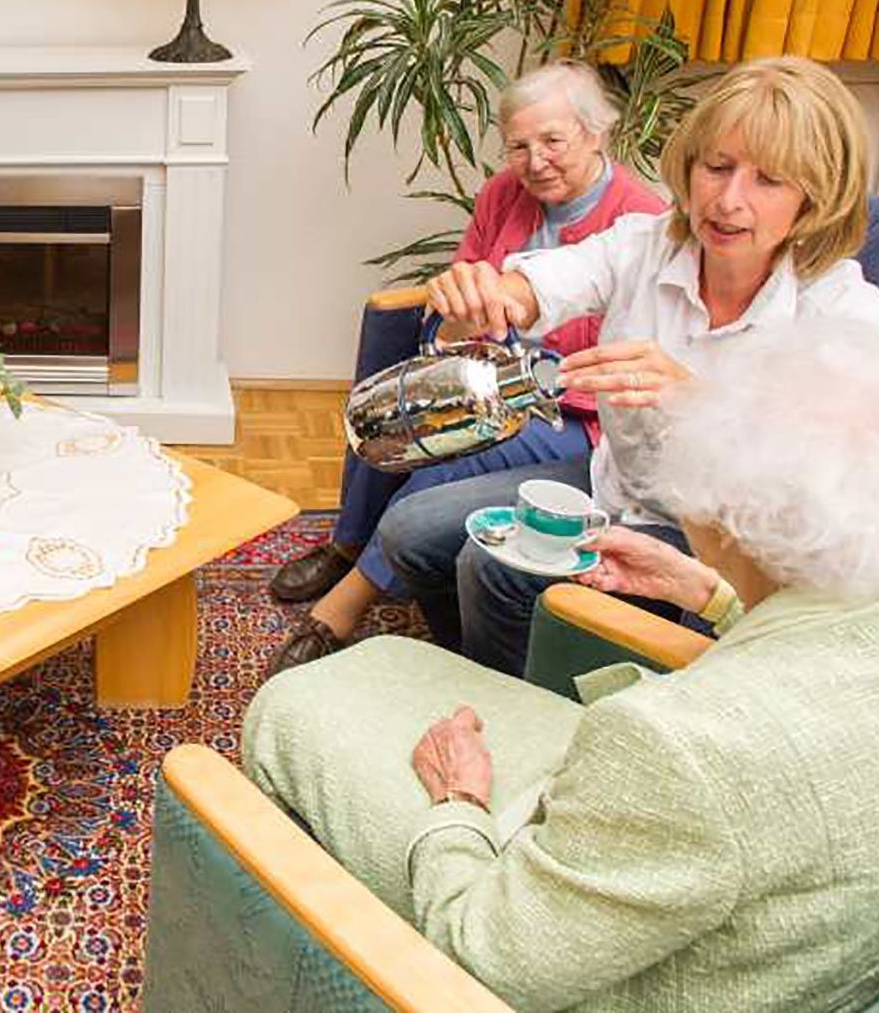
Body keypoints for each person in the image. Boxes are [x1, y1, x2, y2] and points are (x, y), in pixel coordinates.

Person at [243, 321, 879, 1010]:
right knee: (390, 658)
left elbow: (483, 954)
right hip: (758, 914)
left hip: (576, 950)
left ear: (727, 517)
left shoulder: (674, 748)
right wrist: (709, 593)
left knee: (291, 708)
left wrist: (458, 803)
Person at [377, 55, 879, 677]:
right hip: (611, 484)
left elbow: (835, 491)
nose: (728, 200)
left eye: (768, 180)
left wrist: (700, 404)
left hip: (720, 544)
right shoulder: (642, 243)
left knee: (492, 568)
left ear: (815, 198)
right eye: (716, 167)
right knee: (409, 533)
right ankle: (489, 662)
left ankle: (522, 698)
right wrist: (488, 294)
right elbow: (539, 285)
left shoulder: (844, 312)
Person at [269, 62, 665, 669]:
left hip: (569, 406)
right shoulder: (502, 193)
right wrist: (457, 331)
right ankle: (348, 543)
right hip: (488, 365)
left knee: (459, 441)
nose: (536, 162)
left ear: (597, 133)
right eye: (519, 146)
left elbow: (602, 358)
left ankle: (340, 610)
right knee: (398, 402)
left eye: (553, 141)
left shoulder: (638, 221)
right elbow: (463, 284)